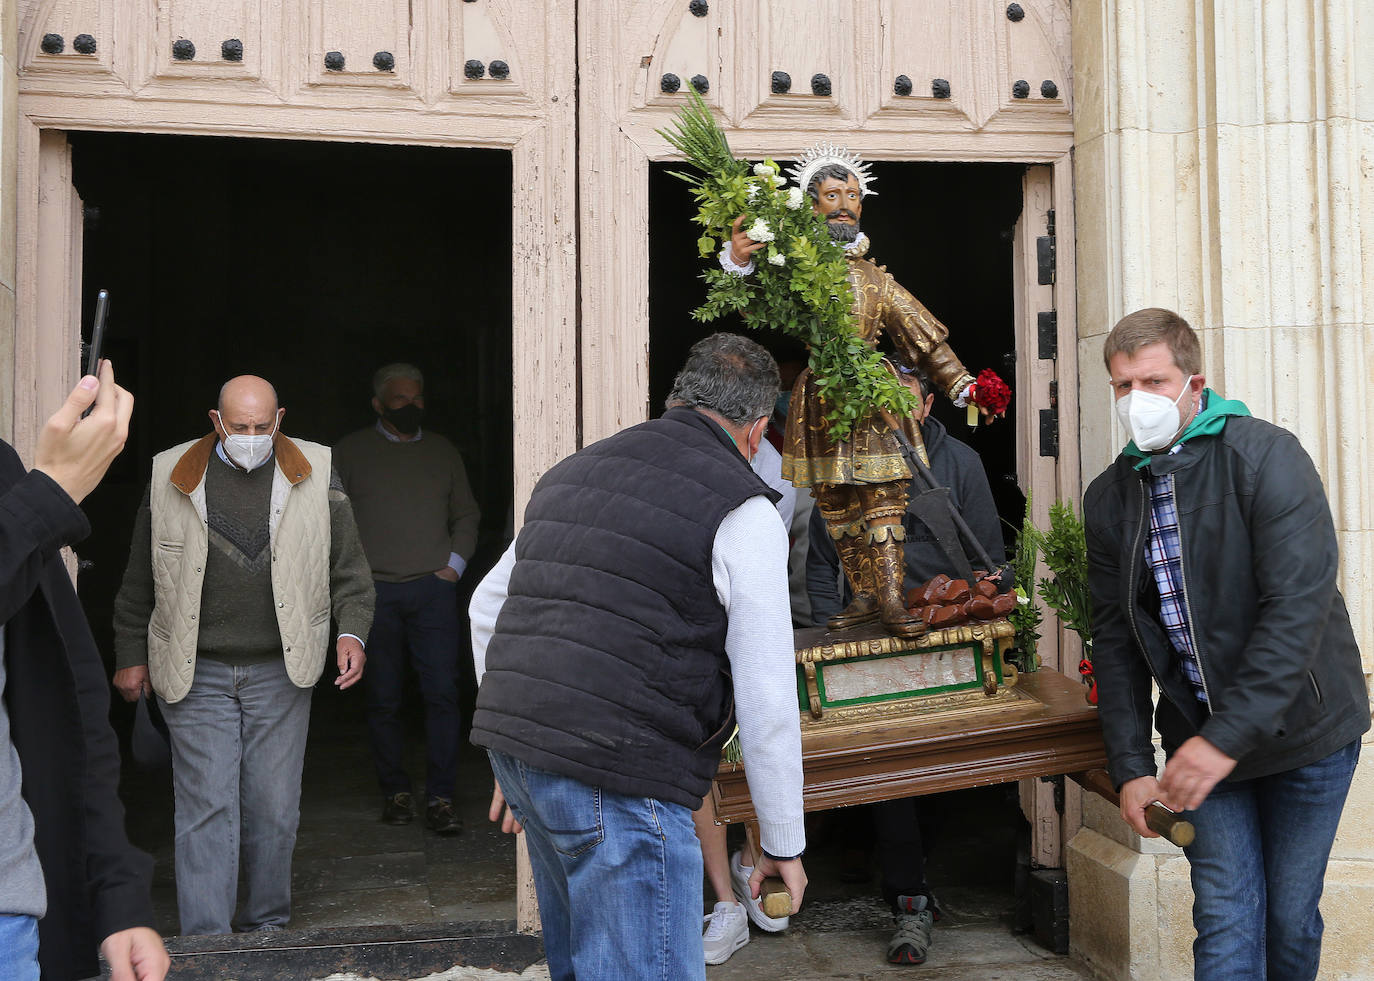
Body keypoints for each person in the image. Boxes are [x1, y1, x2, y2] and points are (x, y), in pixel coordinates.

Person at [469, 333, 807, 981]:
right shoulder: (744, 509)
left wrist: (521, 742)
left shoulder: (572, 471)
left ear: (675, 399)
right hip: (621, 771)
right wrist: (784, 843)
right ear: (759, 429)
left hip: (524, 756)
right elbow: (767, 697)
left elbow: (486, 607)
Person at [1083, 308, 1368, 980]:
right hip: (1198, 747)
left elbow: (1294, 612)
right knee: (1229, 915)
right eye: (1124, 386)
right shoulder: (1110, 497)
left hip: (1307, 736)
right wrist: (1129, 764)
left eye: (1153, 380)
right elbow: (1116, 637)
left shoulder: (1267, 456)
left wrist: (1224, 739)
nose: (1138, 400)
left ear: (1195, 382)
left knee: (1289, 917)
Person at [112, 375, 375, 936]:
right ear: (215, 421)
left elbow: (349, 570)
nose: (251, 437)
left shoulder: (316, 469)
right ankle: (207, 943)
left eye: (262, 426)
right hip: (195, 667)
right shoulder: (170, 472)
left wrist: (352, 633)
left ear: (280, 419)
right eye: (239, 427)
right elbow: (140, 577)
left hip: (280, 669)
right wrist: (130, 652)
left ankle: (267, 930)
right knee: (207, 808)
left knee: (274, 810)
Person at [722, 143, 997, 640]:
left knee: (885, 499)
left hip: (875, 399)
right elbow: (754, 306)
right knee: (838, 504)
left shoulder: (877, 282)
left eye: (853, 195)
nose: (845, 204)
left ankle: (892, 598)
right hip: (821, 399)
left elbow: (924, 337)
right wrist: (740, 260)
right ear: (811, 206)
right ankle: (867, 595)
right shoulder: (794, 271)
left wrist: (963, 386)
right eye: (832, 194)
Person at [808, 362, 1004, 966]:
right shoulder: (846, 464)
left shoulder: (961, 465)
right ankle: (909, 901)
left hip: (946, 639)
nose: (890, 413)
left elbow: (989, 559)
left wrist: (969, 614)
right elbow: (821, 561)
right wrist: (829, 630)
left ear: (925, 407)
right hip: (870, 641)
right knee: (891, 773)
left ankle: (914, 874)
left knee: (940, 772)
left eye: (904, 401)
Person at [1, 363, 170, 981]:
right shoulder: (34, 496)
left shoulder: (4, 475)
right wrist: (49, 496)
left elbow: (66, 702)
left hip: (11, 920)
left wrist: (115, 895)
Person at [334, 363, 481, 834]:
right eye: (400, 400)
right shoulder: (350, 452)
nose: (411, 406)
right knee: (382, 698)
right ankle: (395, 792)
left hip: (431, 591)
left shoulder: (442, 452)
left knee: (442, 695)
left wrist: (451, 570)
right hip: (372, 593)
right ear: (378, 404)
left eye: (417, 398)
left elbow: (467, 515)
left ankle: (440, 798)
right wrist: (350, 580)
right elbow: (329, 521)